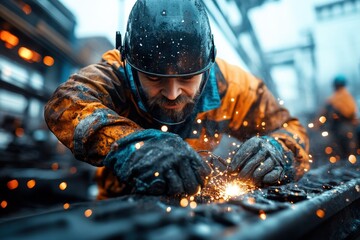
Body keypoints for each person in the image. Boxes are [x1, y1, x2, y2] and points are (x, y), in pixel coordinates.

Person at [44, 0, 310, 200]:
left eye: (186, 79)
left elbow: (292, 130)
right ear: (130, 64)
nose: (172, 94)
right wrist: (133, 146)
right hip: (122, 204)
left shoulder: (236, 87)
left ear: (208, 66)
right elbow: (65, 103)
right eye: (155, 79)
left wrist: (280, 150)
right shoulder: (116, 72)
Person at [317, 75, 358, 159]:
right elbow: (353, 113)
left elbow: (324, 114)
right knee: (350, 149)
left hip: (338, 127)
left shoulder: (332, 99)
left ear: (335, 85)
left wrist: (318, 124)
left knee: (339, 149)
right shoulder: (348, 97)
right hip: (348, 127)